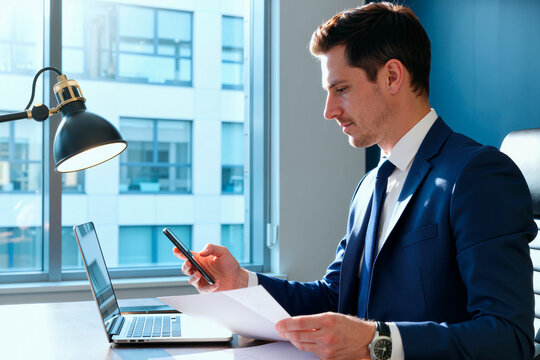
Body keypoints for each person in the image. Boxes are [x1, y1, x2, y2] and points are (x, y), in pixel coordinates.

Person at [174, 2, 538, 359]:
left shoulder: (477, 175)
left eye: (341, 89)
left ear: (392, 76)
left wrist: (375, 342)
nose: (329, 110)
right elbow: (336, 298)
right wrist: (241, 283)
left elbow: (509, 337)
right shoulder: (370, 187)